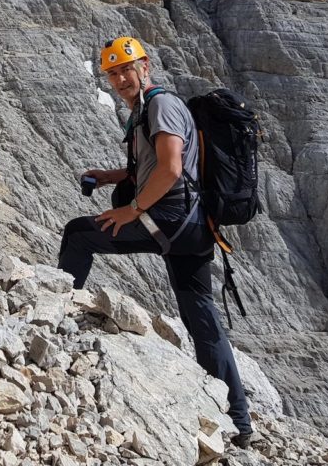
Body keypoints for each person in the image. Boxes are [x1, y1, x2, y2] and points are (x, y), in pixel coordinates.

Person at [58, 36, 255, 447]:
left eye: (126, 68)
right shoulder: (146, 110)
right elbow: (150, 169)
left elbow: (169, 168)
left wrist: (132, 211)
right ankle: (240, 422)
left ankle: (54, 319)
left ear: (144, 67)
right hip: (193, 227)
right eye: (112, 73)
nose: (120, 78)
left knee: (79, 235)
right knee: (201, 316)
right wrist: (110, 176)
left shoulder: (161, 105)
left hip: (167, 219)